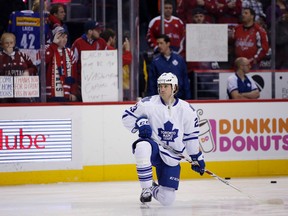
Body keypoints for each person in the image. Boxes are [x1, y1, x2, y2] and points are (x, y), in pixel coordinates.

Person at [122, 72, 205, 205]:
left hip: (172, 155)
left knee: (168, 199)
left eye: (166, 86)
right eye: (160, 85)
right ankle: (146, 188)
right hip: (153, 147)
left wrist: (197, 157)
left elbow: (191, 137)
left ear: (175, 88)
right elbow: (126, 117)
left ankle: (153, 187)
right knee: (142, 147)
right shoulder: (147, 104)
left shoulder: (187, 110)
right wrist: (140, 123)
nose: (162, 89)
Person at [147, 34, 191, 100]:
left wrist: (188, 97)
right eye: (158, 43)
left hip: (179, 97)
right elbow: (152, 83)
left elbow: (185, 79)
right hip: (161, 99)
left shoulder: (179, 59)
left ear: (168, 44)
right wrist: (152, 99)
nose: (159, 46)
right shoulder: (155, 62)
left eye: (161, 43)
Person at [71, 20, 107, 101]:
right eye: (97, 30)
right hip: (82, 84)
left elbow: (107, 63)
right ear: (90, 31)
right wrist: (74, 89)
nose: (100, 32)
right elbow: (73, 66)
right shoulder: (78, 43)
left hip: (99, 84)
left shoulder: (102, 43)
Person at [0, 32, 38, 103]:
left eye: (11, 43)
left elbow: (34, 68)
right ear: (2, 45)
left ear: (14, 43)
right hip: (5, 94)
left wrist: (27, 72)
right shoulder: (1, 57)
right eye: (6, 43)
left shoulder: (23, 55)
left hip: (21, 92)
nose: (9, 45)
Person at [45, 26, 77, 102]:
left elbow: (74, 74)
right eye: (62, 37)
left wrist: (73, 92)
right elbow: (44, 62)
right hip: (50, 95)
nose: (65, 40)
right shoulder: (48, 48)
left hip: (67, 94)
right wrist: (54, 45)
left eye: (66, 37)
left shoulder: (69, 52)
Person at [100, 28, 132, 100]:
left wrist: (122, 51)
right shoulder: (109, 49)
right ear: (110, 39)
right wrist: (127, 50)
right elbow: (125, 60)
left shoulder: (102, 49)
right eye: (114, 39)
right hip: (111, 85)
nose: (115, 41)